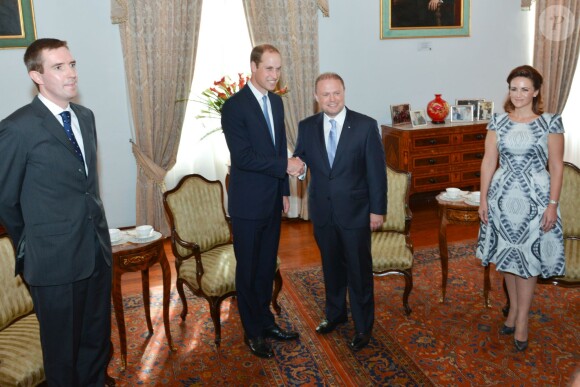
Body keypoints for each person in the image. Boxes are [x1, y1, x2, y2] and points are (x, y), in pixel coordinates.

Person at [0, 38, 113, 385]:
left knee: (96, 341)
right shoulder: (17, 128)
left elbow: (86, 186)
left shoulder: (85, 116)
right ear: (36, 75)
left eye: (73, 64)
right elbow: (6, 201)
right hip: (52, 262)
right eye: (59, 67)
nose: (71, 73)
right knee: (62, 354)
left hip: (95, 251)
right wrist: (33, 244)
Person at [294, 72, 387, 351]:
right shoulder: (307, 126)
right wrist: (298, 172)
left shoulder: (365, 126)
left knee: (359, 271)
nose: (331, 99)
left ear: (344, 92)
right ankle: (334, 315)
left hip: (357, 213)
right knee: (331, 267)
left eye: (336, 93)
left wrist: (377, 210)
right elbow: (301, 161)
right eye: (325, 94)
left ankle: (362, 327)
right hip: (323, 212)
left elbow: (376, 174)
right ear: (316, 97)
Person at [221, 44, 303, 359]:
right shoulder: (234, 106)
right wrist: (284, 167)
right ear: (253, 67)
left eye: (278, 68)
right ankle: (252, 332)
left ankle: (266, 322)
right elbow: (243, 157)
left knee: (267, 266)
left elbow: (278, 146)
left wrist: (283, 190)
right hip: (247, 204)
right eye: (268, 68)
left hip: (272, 199)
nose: (274, 74)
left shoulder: (277, 103)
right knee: (250, 269)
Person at [476, 65, 565, 352]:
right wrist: (483, 199)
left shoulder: (550, 122)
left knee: (527, 262)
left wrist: (552, 205)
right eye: (513, 88)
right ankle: (513, 312)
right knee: (508, 257)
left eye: (525, 89)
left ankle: (523, 320)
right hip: (502, 200)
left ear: (536, 92)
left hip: (535, 201)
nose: (518, 94)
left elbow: (556, 167)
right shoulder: (498, 122)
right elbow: (489, 161)